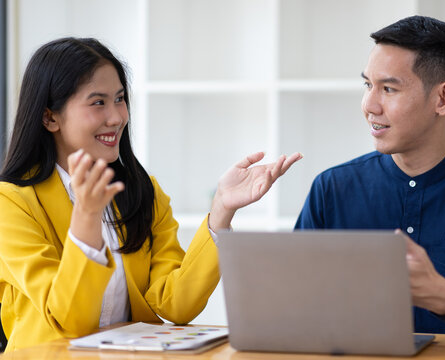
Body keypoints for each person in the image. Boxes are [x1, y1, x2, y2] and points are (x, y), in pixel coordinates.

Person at [0, 37, 302, 352]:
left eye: (119, 99)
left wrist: (222, 210)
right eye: (98, 102)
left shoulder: (142, 191)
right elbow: (70, 320)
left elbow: (175, 304)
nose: (117, 117)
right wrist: (87, 218)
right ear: (50, 117)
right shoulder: (11, 203)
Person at [295, 15, 445, 338]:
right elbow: (294, 302)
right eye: (368, 85)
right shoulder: (331, 188)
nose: (369, 105)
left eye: (389, 88)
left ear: (442, 99)